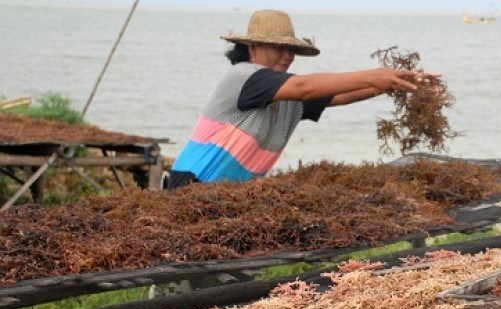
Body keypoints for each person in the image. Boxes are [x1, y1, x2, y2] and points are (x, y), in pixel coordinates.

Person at [168, 9, 432, 189]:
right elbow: (305, 86)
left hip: (233, 191)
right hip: (194, 181)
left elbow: (339, 96)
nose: (287, 55)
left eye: (291, 49)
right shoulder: (243, 77)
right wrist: (374, 76)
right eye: (278, 47)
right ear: (252, 48)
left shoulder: (287, 97)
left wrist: (396, 84)